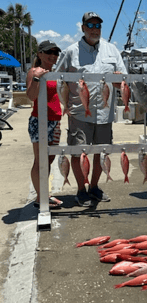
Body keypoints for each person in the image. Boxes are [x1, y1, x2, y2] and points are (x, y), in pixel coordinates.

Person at [55, 11, 127, 207]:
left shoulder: (112, 50)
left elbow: (124, 81)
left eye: (98, 26)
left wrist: (120, 80)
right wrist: (65, 105)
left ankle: (94, 186)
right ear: (83, 28)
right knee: (78, 153)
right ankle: (81, 190)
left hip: (105, 114)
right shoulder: (70, 51)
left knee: (101, 153)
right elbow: (57, 80)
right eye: (91, 25)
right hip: (79, 113)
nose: (95, 29)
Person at [26, 40, 63, 208]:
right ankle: (40, 197)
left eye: (56, 53)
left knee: (49, 159)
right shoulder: (34, 71)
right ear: (40, 54)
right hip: (39, 120)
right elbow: (31, 96)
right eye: (49, 52)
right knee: (39, 160)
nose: (53, 55)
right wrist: (36, 78)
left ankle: (44, 194)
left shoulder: (55, 73)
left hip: (55, 121)